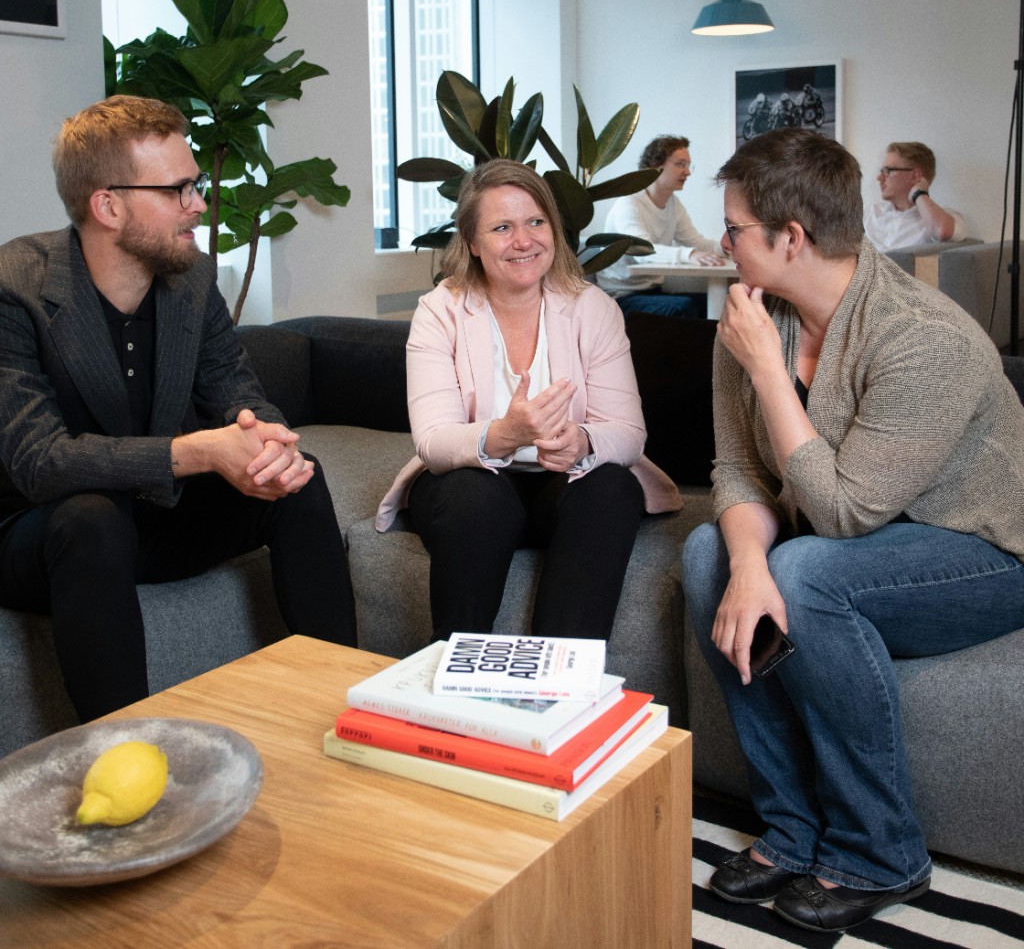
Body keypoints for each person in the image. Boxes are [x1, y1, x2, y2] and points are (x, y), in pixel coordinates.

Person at [681, 128, 1024, 933]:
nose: (723, 243)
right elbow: (735, 472)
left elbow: (843, 514)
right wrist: (744, 562)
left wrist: (769, 372)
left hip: (978, 549)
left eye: (733, 229)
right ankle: (794, 826)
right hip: (853, 539)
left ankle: (882, 850)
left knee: (802, 575)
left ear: (790, 238)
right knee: (706, 555)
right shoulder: (754, 317)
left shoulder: (926, 340)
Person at [0, 95, 357, 721]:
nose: (200, 204)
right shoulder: (15, 288)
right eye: (178, 190)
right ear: (107, 205)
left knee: (297, 481)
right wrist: (197, 452)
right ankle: (126, 753)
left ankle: (346, 710)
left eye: (195, 185)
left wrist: (262, 440)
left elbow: (236, 388)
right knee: (90, 517)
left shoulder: (190, 280)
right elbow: (39, 462)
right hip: (41, 536)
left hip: (154, 518)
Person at [377, 159, 681, 642]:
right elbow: (433, 440)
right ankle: (456, 681)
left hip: (563, 487)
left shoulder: (592, 308)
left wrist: (581, 441)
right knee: (476, 495)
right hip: (471, 490)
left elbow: (627, 430)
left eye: (536, 222)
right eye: (502, 228)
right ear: (473, 244)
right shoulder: (440, 310)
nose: (524, 240)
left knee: (611, 487)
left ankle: (560, 686)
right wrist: (504, 435)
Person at [596, 135, 726, 318]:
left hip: (653, 291)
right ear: (656, 165)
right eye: (681, 164)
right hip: (620, 297)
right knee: (685, 307)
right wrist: (688, 255)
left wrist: (725, 248)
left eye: (688, 165)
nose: (688, 172)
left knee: (715, 304)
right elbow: (642, 251)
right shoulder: (629, 202)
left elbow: (694, 241)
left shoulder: (673, 204)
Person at [862, 141, 966, 251]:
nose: (879, 178)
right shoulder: (868, 213)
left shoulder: (940, 219)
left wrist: (919, 194)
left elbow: (942, 231)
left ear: (915, 176)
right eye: (882, 171)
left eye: (888, 171)